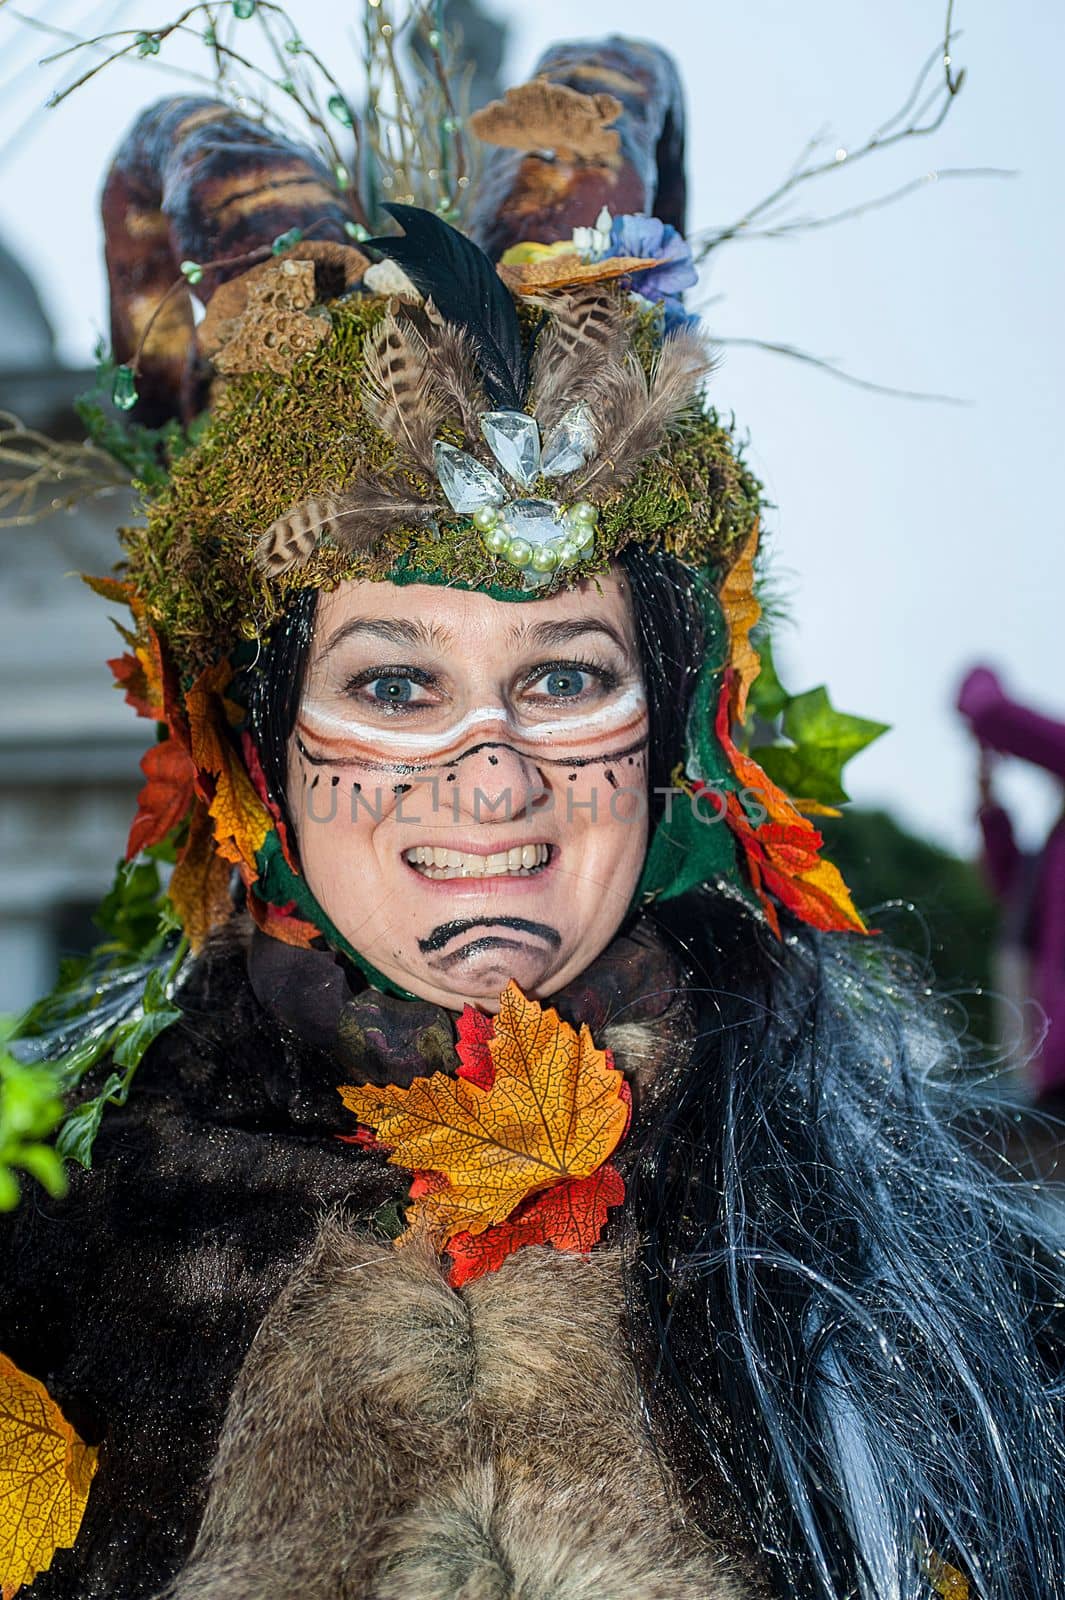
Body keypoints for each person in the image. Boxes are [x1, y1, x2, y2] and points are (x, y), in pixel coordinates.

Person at [1, 34, 1062, 1600]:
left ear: (674, 739)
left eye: (565, 680)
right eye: (396, 686)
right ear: (262, 757)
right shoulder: (56, 1297)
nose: (491, 782)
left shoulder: (966, 1299)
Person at [957, 665, 1065, 1104]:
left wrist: (981, 669)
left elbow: (987, 708)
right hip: (1054, 1069)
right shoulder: (1057, 841)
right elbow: (1017, 895)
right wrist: (991, 808)